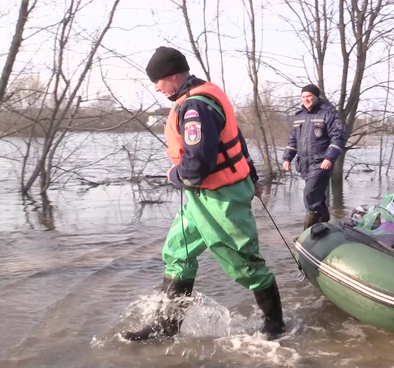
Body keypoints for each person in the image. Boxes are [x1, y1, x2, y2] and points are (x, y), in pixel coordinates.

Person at [120, 46, 284, 341]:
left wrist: (173, 174)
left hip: (222, 197)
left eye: (157, 81)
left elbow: (197, 167)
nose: (156, 88)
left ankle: (275, 327)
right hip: (200, 197)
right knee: (176, 252)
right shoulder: (198, 97)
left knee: (244, 262)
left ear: (171, 75)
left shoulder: (197, 106)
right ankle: (166, 327)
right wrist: (254, 176)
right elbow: (237, 143)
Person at [282, 84, 346, 229]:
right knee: (316, 196)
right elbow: (293, 141)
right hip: (304, 163)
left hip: (321, 162)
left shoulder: (328, 113)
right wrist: (287, 158)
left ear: (317, 97)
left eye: (309, 96)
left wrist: (329, 158)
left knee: (309, 194)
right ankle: (322, 222)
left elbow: (338, 138)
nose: (306, 99)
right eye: (303, 97)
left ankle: (308, 231)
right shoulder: (299, 116)